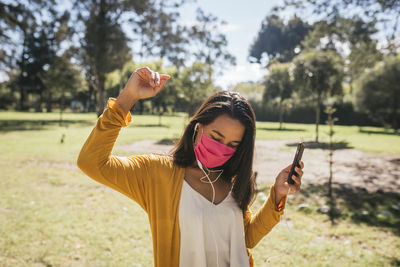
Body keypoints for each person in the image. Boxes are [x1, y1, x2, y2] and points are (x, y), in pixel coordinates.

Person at [77, 66, 304, 267]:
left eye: (233, 144)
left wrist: (278, 195)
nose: (222, 149)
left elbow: (245, 239)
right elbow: (92, 163)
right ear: (197, 127)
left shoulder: (231, 180)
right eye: (216, 137)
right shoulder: (158, 173)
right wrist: (127, 98)